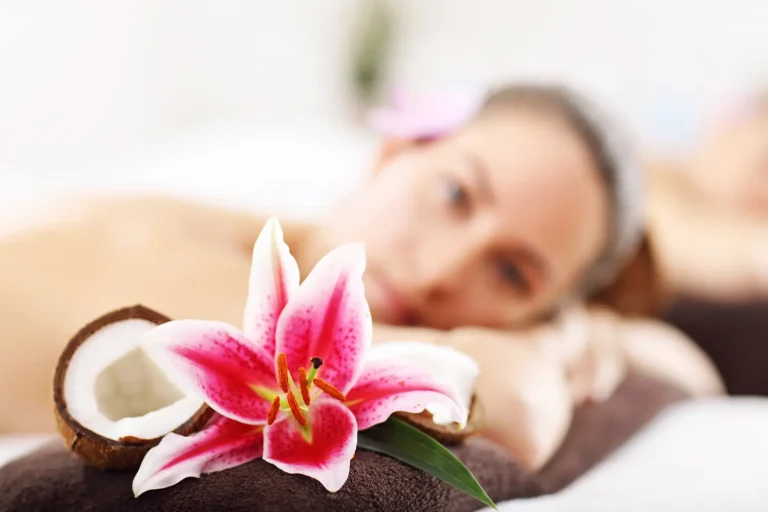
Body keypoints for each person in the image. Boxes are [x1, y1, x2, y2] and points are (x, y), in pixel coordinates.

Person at [0, 84, 722, 470]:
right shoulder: (187, 259)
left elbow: (688, 365)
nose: (442, 270)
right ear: (393, 154)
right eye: (455, 195)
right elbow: (517, 407)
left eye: (511, 273)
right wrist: (565, 333)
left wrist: (595, 327)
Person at [649, 91, 768, 301]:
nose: (763, 193)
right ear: (733, 125)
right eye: (763, 165)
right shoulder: (643, 179)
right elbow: (657, 245)